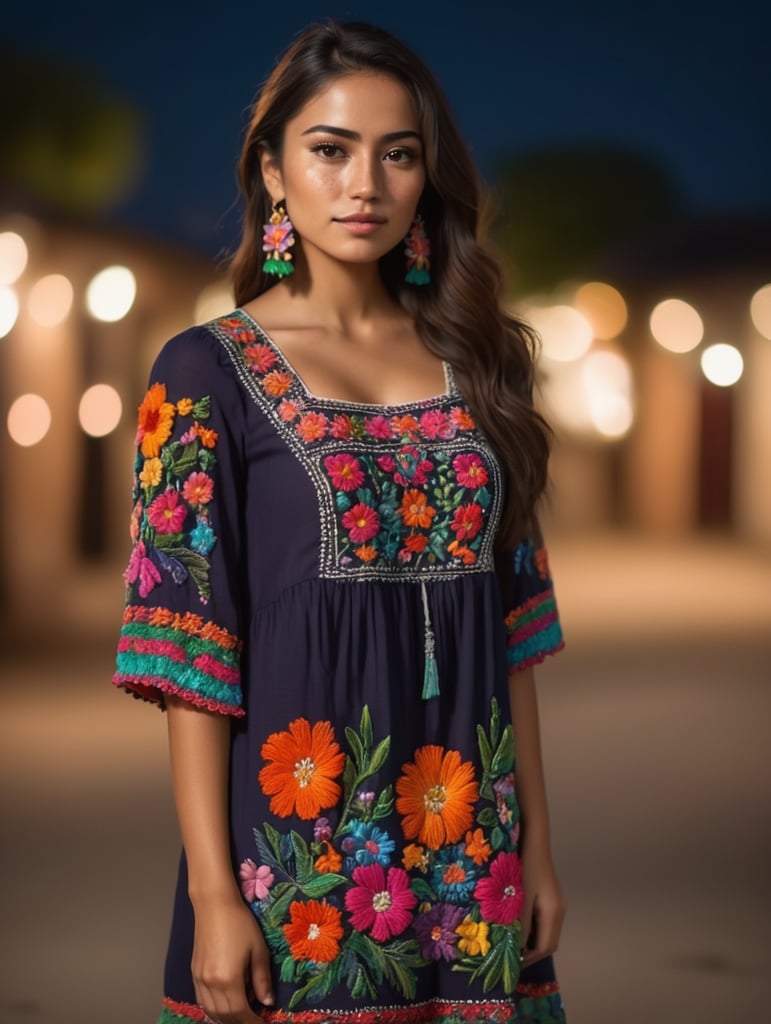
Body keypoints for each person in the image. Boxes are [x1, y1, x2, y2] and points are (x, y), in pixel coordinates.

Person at [114, 19, 567, 1024]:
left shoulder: (482, 368)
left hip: (472, 861)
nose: (365, 183)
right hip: (300, 868)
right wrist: (213, 892)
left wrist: (537, 842)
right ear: (273, 170)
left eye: (398, 154)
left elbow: (513, 637)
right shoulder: (202, 375)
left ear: (425, 178)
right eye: (331, 150)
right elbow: (195, 660)